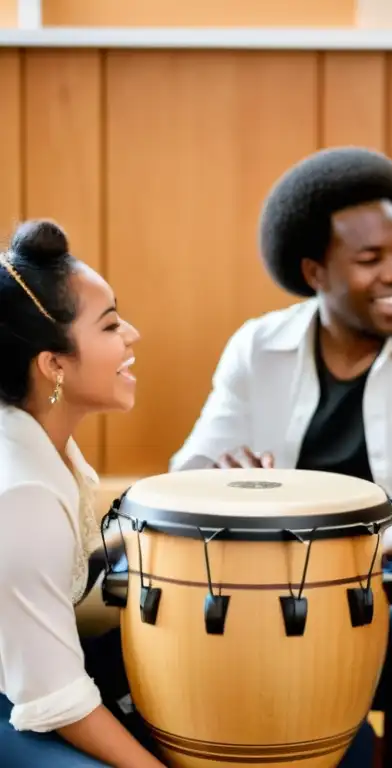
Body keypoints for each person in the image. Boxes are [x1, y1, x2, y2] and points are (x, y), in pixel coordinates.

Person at [170, 147, 392, 768]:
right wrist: (224, 484)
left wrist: (362, 554)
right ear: (315, 271)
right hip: (268, 572)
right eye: (370, 259)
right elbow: (189, 470)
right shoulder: (257, 349)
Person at [0, 220, 159, 766]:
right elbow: (58, 699)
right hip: (19, 703)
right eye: (111, 324)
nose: (132, 334)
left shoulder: (42, 442)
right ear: (54, 365)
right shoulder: (22, 490)